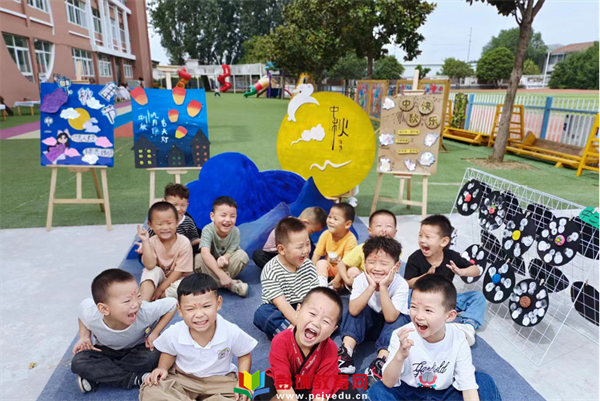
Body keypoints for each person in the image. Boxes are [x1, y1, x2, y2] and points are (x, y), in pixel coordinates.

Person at [367, 275, 501, 401]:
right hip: (408, 393)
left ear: (449, 316)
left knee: (483, 382)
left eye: (428, 310)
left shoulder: (458, 338)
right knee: (377, 391)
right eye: (414, 307)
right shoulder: (402, 335)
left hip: (444, 394)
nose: (419, 316)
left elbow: (467, 385)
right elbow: (388, 382)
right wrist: (399, 356)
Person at [140, 273, 258, 400]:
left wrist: (243, 382)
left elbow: (244, 354)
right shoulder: (175, 331)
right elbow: (169, 352)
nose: (199, 314)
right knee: (151, 388)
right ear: (180, 310)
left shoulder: (230, 330)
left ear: (218, 303)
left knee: (246, 395)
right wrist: (162, 368)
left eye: (206, 306)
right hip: (183, 378)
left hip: (220, 381)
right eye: (190, 309)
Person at [71, 269, 177, 393]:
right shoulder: (93, 316)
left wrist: (155, 333)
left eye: (138, 296)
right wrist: (84, 336)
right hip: (105, 351)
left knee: (154, 355)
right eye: (127, 301)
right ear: (104, 309)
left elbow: (172, 304)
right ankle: (137, 378)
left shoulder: (145, 311)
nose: (136, 304)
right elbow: (82, 308)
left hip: (138, 350)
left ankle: (100, 375)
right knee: (79, 362)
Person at [254, 287, 359, 401]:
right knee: (261, 384)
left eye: (326, 321)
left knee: (350, 393)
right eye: (312, 314)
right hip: (286, 387)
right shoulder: (280, 340)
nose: (316, 323)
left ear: (332, 330)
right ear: (298, 311)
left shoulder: (330, 349)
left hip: (313, 388)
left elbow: (321, 393)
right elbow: (283, 385)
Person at [337, 236, 410, 387]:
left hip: (387, 328)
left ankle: (381, 362)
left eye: (384, 264)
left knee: (401, 319)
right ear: (364, 263)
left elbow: (391, 318)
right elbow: (354, 310)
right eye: (371, 262)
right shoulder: (361, 280)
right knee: (354, 308)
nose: (377, 268)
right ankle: (346, 353)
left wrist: (382, 287)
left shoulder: (401, 284)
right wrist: (371, 287)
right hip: (366, 327)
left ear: (396, 266)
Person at [404, 215, 486, 346]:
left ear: (444, 241)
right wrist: (425, 276)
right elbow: (407, 283)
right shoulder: (415, 258)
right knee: (407, 295)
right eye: (420, 236)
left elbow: (476, 270)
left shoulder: (451, 256)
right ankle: (419, 321)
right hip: (423, 302)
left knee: (478, 297)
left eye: (428, 237)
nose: (422, 240)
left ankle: (468, 326)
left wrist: (462, 272)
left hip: (445, 300)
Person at [253, 217, 329, 338]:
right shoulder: (270, 270)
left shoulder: (308, 265)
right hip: (281, 309)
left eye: (308, 244)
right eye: (300, 247)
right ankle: (297, 333)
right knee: (262, 314)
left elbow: (314, 295)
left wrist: (313, 312)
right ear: (282, 249)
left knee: (332, 310)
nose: (306, 250)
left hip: (303, 307)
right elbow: (281, 304)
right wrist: (301, 324)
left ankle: (300, 332)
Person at [138, 202, 194, 301]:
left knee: (188, 287)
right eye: (160, 224)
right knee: (149, 271)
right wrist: (145, 241)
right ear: (150, 225)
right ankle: (144, 302)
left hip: (178, 279)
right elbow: (150, 265)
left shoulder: (184, 242)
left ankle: (158, 296)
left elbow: (179, 271)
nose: (165, 227)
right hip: (160, 278)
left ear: (177, 223)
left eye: (169, 223)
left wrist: (161, 288)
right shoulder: (151, 241)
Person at [195, 196, 249, 297]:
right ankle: (231, 284)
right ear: (212, 216)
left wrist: (224, 258)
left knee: (242, 255)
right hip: (210, 265)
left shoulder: (235, 231)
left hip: (224, 264)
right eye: (223, 215)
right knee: (198, 259)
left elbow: (231, 251)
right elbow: (205, 254)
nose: (228, 220)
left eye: (232, 216)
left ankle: (214, 282)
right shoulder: (208, 230)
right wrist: (222, 275)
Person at [337, 209, 398, 288]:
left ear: (395, 232)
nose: (384, 230)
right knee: (352, 271)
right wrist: (347, 281)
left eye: (389, 226)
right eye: (379, 225)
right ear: (370, 230)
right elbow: (341, 264)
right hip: (364, 283)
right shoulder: (362, 248)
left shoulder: (396, 250)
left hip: (384, 283)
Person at [252, 206, 327, 269]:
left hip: (290, 256)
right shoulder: (288, 227)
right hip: (274, 255)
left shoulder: (303, 234)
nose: (311, 233)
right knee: (258, 255)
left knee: (307, 245)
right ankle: (278, 271)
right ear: (305, 223)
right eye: (312, 231)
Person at [139, 183, 201, 254]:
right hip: (161, 254)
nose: (178, 209)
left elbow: (193, 239)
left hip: (182, 254)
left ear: (187, 204)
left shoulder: (188, 221)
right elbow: (149, 238)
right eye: (174, 204)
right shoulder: (158, 221)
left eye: (183, 205)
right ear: (164, 202)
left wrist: (200, 240)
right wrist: (144, 245)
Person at [311, 203, 357, 290]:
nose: (330, 221)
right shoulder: (325, 234)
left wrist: (337, 280)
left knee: (354, 271)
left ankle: (339, 286)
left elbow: (346, 264)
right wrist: (310, 275)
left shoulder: (351, 239)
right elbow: (316, 255)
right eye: (329, 217)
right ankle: (322, 288)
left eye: (335, 219)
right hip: (330, 270)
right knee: (321, 263)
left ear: (347, 224)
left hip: (343, 273)